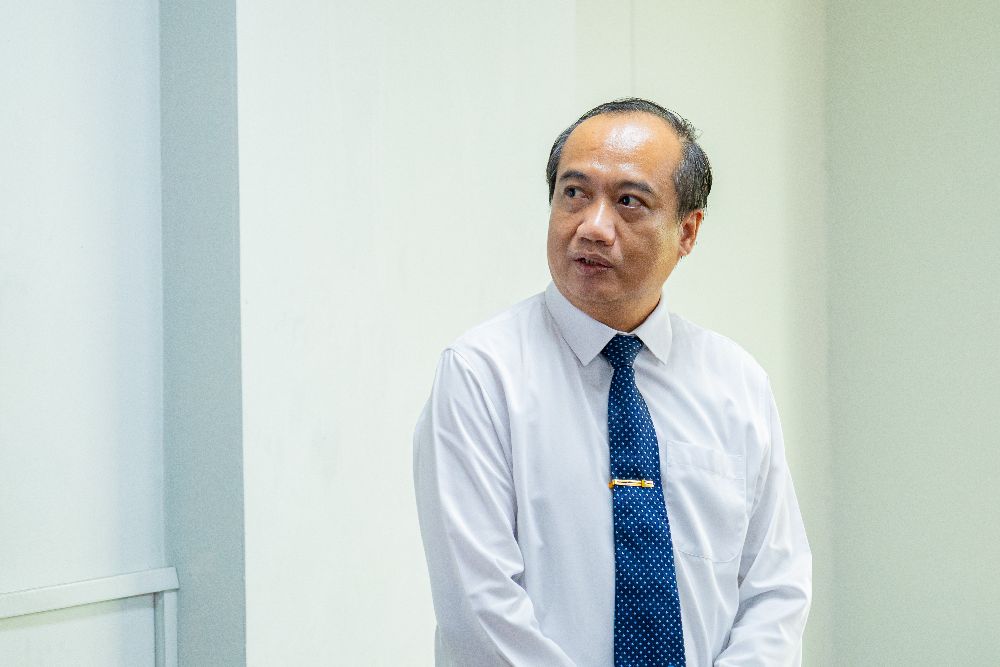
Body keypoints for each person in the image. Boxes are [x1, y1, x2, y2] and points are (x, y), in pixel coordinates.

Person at [413, 98, 811, 666]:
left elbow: (775, 590)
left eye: (629, 202)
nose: (593, 227)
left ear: (688, 231)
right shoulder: (481, 374)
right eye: (574, 193)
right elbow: (479, 613)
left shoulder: (736, 383)